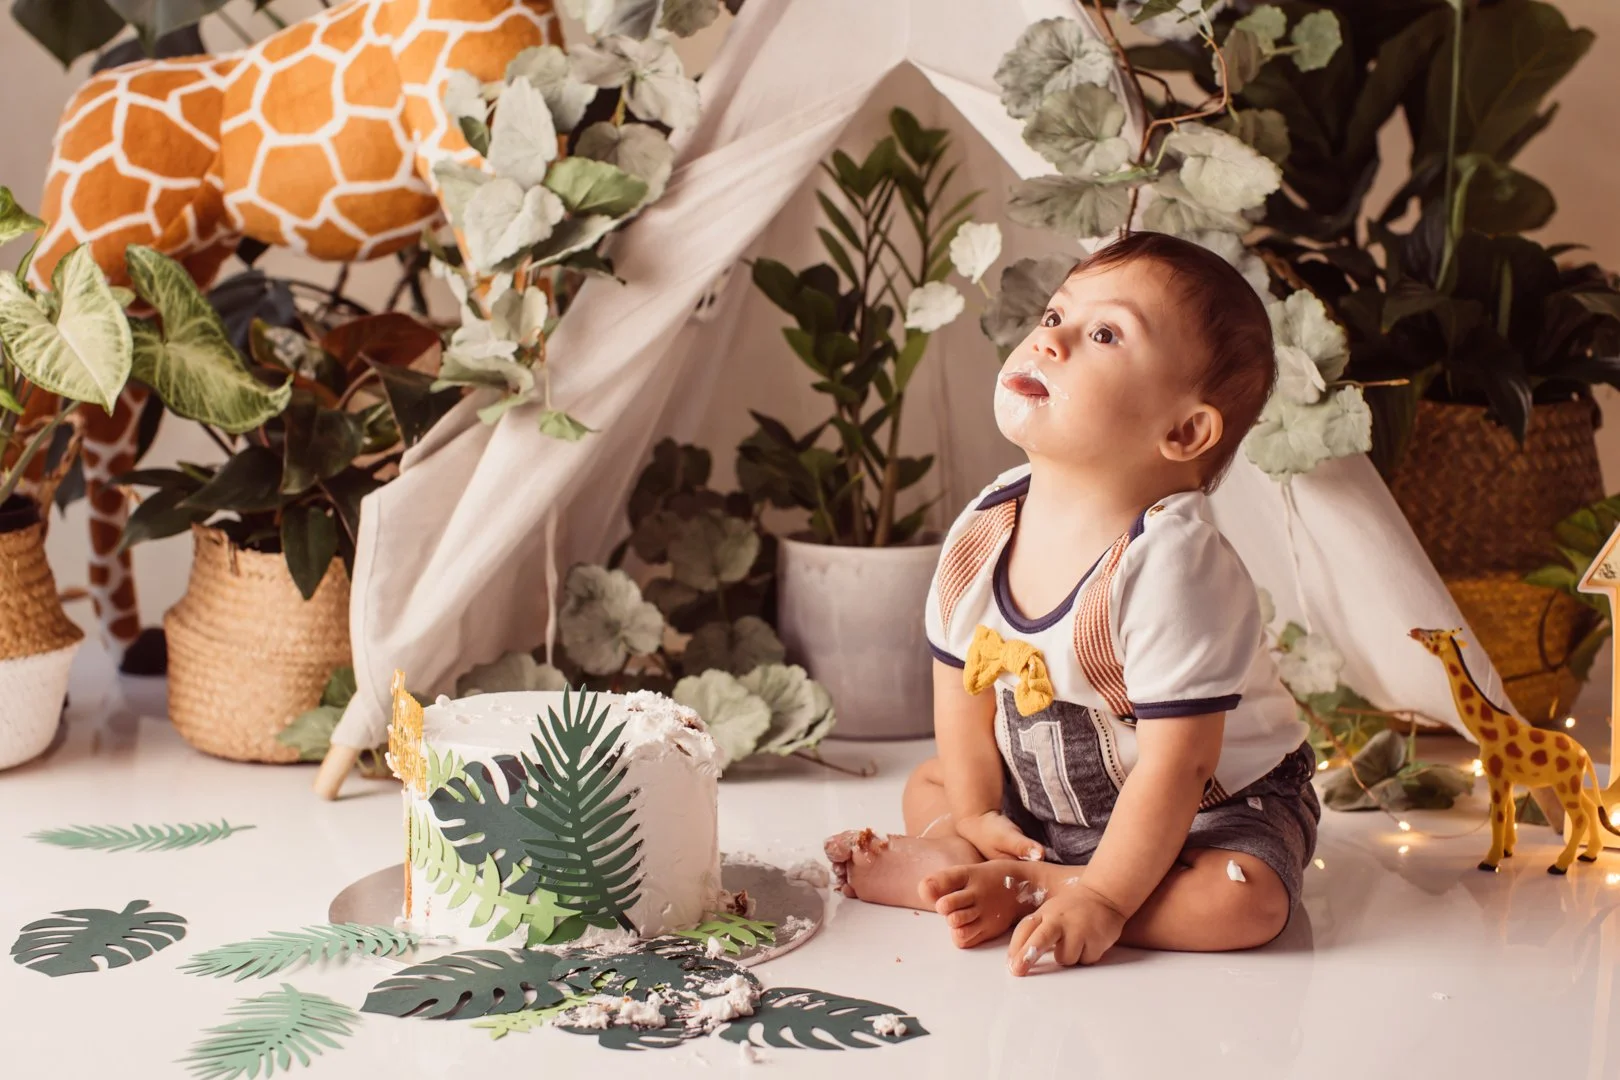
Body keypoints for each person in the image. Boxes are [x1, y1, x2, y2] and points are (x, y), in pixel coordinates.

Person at [825, 231, 1319, 975]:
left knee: (1244, 901)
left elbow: (1178, 768)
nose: (1049, 340)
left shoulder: (1172, 563)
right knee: (936, 778)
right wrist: (978, 813)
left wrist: (1107, 902)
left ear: (1184, 431)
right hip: (1047, 802)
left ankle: (1032, 886)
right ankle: (976, 858)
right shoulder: (986, 525)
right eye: (1056, 315)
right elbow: (960, 693)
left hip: (1202, 813)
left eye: (1104, 333)